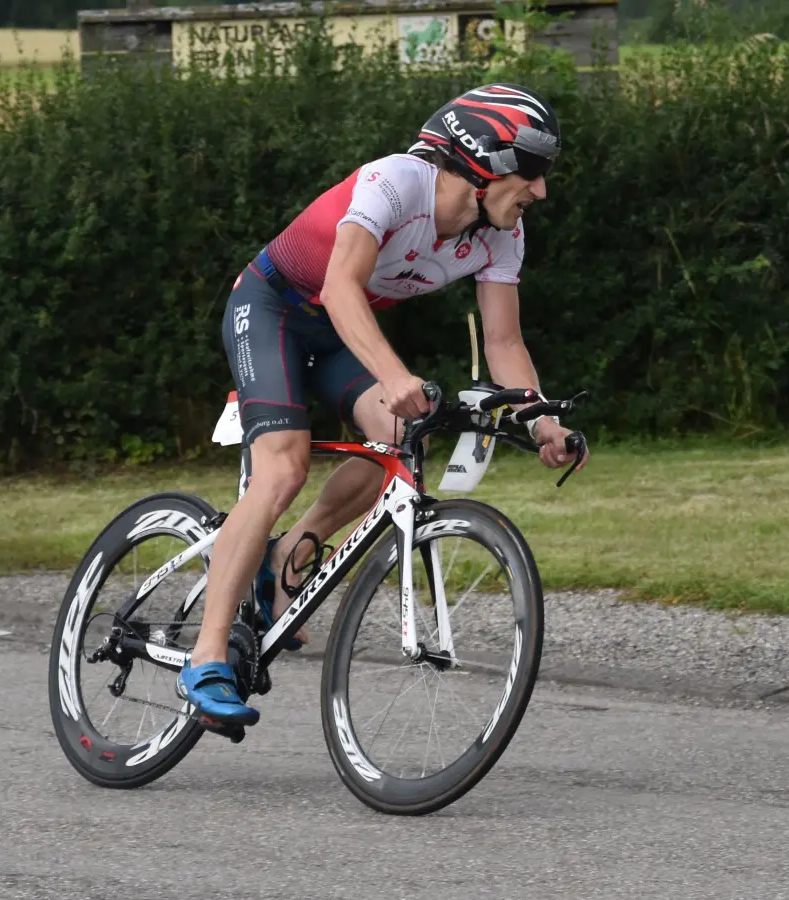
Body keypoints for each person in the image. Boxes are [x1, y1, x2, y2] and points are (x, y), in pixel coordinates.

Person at [177, 83, 589, 726]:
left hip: (337, 330)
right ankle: (205, 657)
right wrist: (395, 372)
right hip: (274, 307)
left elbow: (505, 341)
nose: (540, 191)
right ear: (483, 161)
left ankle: (290, 556)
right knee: (281, 468)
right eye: (532, 173)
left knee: (404, 433)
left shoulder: (501, 236)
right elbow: (340, 288)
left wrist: (542, 421)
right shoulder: (395, 184)